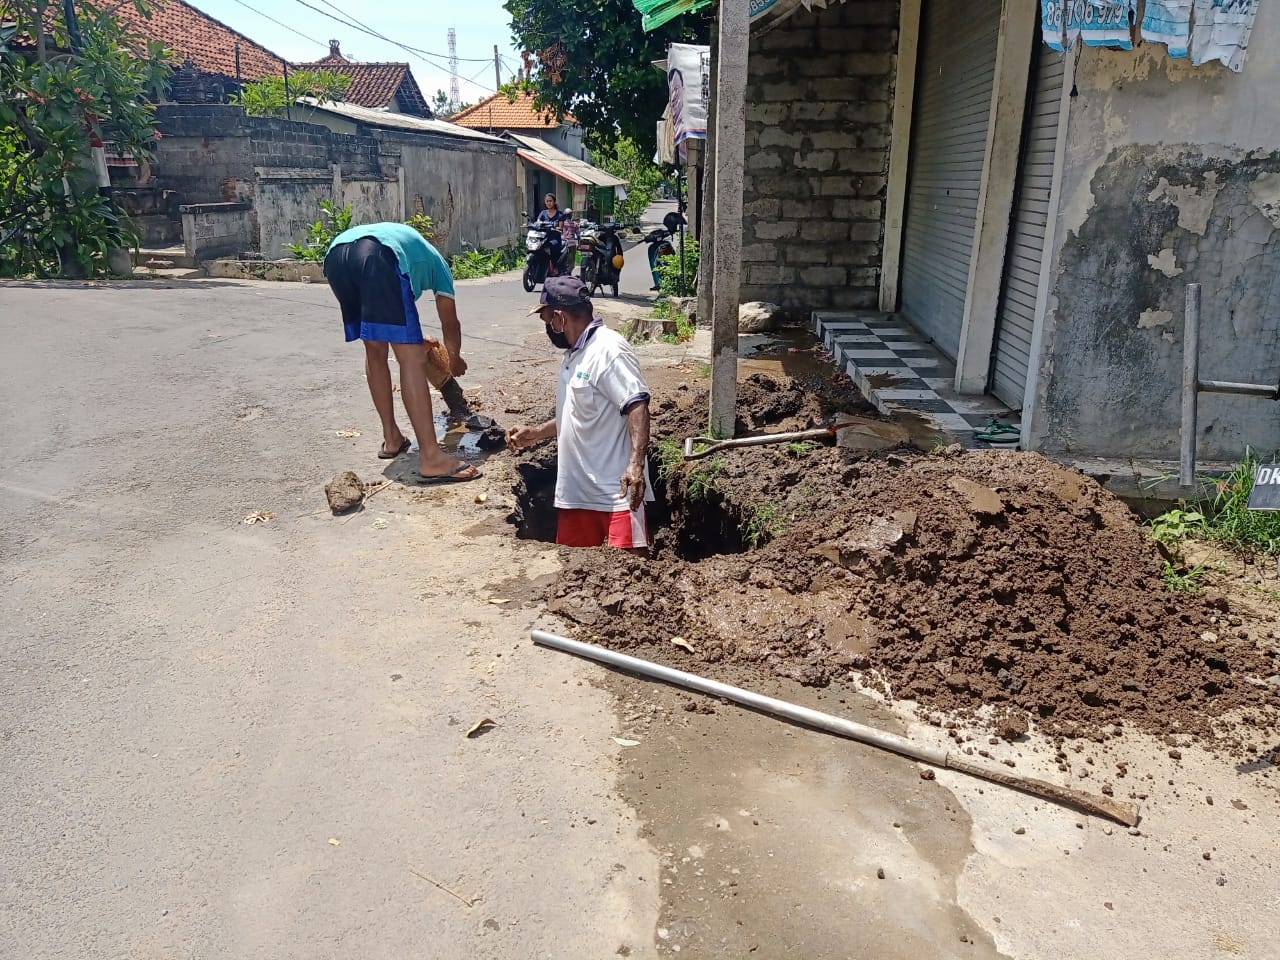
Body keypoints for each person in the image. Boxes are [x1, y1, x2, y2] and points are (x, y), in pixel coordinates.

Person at [323, 221, 481, 484]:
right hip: (378, 255)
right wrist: (454, 359)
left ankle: (392, 438)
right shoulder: (439, 266)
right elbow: (450, 323)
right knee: (411, 358)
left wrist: (415, 337)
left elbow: (387, 316)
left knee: (374, 349)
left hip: (337, 256)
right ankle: (432, 458)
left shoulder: (413, 249)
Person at [506, 277, 653, 549]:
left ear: (560, 318)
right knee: (574, 579)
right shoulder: (575, 354)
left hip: (616, 495)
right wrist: (538, 433)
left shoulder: (609, 350)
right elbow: (579, 413)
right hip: (575, 495)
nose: (549, 328)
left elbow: (637, 404)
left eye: (548, 320)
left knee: (628, 577)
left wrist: (635, 464)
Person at [536, 193, 569, 272]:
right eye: (547, 201)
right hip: (544, 237)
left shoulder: (559, 214)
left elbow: (560, 227)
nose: (548, 203)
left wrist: (555, 227)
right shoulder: (543, 213)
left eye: (550, 201)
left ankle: (555, 266)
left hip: (555, 237)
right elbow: (538, 222)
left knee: (553, 245)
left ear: (554, 202)